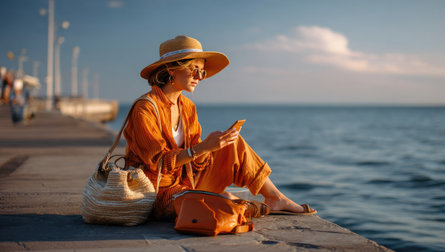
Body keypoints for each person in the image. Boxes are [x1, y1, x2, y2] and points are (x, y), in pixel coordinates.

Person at [124, 35, 316, 220]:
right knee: (229, 202)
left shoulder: (187, 107)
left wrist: (214, 147)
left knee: (233, 143)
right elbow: (157, 164)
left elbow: (194, 164)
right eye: (194, 69)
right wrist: (203, 148)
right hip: (157, 192)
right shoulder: (145, 108)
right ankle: (241, 205)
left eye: (202, 71)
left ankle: (275, 197)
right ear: (171, 69)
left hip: (186, 182)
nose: (199, 76)